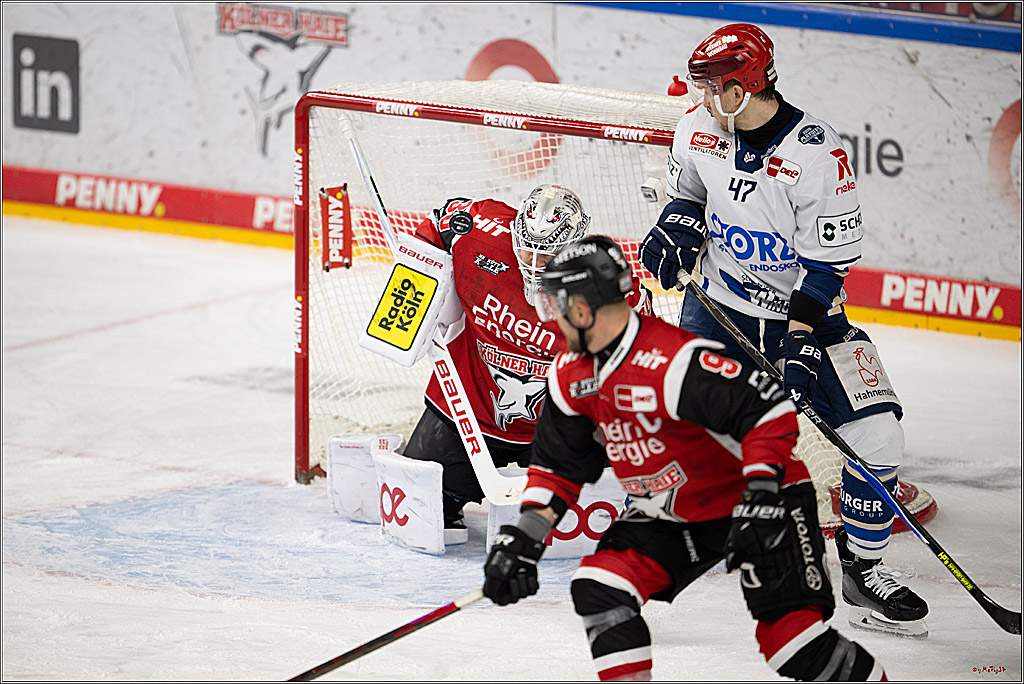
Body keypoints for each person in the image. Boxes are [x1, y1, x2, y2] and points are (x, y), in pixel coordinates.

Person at [482, 236, 886, 681]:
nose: (552, 319)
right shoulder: (568, 375)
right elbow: (559, 468)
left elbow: (766, 411)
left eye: (555, 306)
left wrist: (763, 492)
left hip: (763, 500)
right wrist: (525, 537)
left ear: (580, 308)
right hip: (676, 511)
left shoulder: (672, 361)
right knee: (600, 587)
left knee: (794, 646)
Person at [637, 23, 928, 637]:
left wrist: (798, 341)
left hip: (809, 318)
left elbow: (825, 266)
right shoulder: (697, 129)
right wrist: (673, 228)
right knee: (679, 443)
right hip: (719, 312)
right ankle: (635, 569)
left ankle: (863, 568)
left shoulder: (818, 153)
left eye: (714, 86)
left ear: (745, 85)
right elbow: (687, 194)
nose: (704, 97)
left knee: (877, 437)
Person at [404, 184, 652, 543]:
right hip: (470, 412)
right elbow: (442, 220)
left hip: (559, 430)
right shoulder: (481, 233)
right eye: (526, 250)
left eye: (546, 257)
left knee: (590, 530)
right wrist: (414, 277)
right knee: (420, 509)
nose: (533, 266)